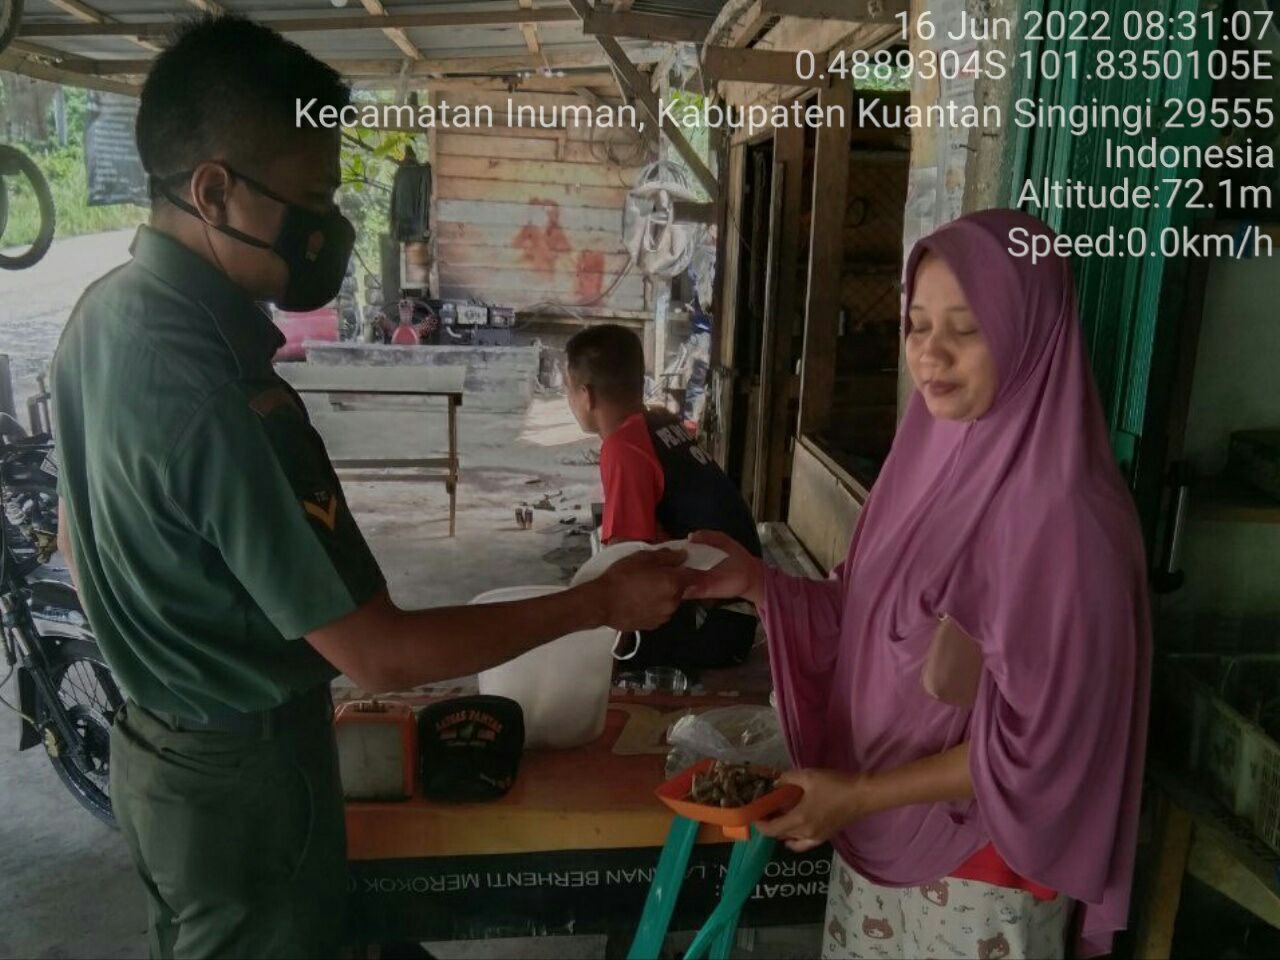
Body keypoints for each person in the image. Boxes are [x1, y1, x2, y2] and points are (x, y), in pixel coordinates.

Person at [50, 17, 694, 960]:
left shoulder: (98, 321)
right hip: (248, 780)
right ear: (213, 190)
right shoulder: (226, 393)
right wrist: (598, 602)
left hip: (156, 756)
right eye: (309, 200)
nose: (328, 231)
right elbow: (381, 656)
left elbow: (77, 539)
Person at [687, 210, 1150, 960]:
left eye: (965, 329)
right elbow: (866, 615)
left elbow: (1049, 744)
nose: (929, 353)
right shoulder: (927, 465)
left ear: (1031, 335)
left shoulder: (1067, 519)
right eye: (917, 323)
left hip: (979, 874)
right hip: (877, 831)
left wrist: (861, 794)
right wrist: (760, 586)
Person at [565, 324, 762, 673]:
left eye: (567, 389)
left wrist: (611, 657)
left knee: (583, 664)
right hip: (741, 608)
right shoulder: (660, 420)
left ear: (586, 395)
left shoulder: (624, 447)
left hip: (717, 628)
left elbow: (625, 562)